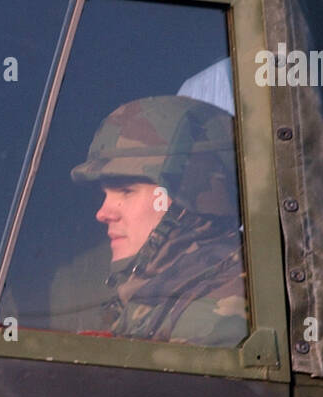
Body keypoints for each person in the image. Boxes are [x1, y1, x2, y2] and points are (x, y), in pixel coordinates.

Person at [69, 95, 248, 346]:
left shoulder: (212, 313)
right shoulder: (162, 294)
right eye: (105, 194)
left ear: (187, 200)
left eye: (126, 191)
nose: (103, 213)